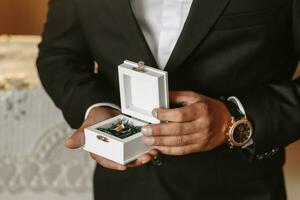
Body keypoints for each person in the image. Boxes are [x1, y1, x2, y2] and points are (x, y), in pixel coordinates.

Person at [37, 0, 300, 199]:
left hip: (239, 189)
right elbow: (59, 54)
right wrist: (96, 108)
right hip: (123, 189)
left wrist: (235, 120)